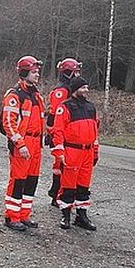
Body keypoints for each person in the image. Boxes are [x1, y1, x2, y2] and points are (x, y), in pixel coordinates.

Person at [1, 56, 45, 231]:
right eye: (34, 72)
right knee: (18, 180)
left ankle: (24, 215)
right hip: (23, 143)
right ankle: (12, 217)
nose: (37, 75)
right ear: (24, 72)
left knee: (31, 181)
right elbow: (9, 123)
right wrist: (21, 144)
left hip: (36, 143)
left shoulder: (35, 95)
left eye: (37, 72)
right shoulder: (14, 95)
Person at [51, 77, 99, 230]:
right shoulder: (65, 107)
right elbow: (58, 131)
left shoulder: (91, 107)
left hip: (87, 151)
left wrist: (95, 152)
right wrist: (59, 152)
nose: (86, 90)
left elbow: (95, 133)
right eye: (83, 87)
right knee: (68, 185)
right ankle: (65, 215)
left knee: (84, 185)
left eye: (87, 87)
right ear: (75, 89)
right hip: (72, 151)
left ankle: (82, 215)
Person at [46, 58, 82, 206]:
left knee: (64, 166)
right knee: (60, 165)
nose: (78, 74)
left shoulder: (70, 89)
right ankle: (56, 194)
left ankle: (58, 193)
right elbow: (54, 113)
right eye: (76, 71)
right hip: (60, 134)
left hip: (67, 133)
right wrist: (52, 134)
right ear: (69, 72)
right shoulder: (62, 90)